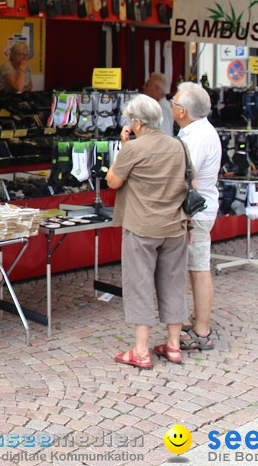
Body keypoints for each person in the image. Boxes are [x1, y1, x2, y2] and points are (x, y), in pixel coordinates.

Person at [105, 94, 192, 369]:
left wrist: (123, 145)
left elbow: (113, 181)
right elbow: (190, 178)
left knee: (140, 284)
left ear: (138, 123)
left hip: (142, 226)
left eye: (132, 120)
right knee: (174, 283)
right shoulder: (178, 145)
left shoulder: (133, 148)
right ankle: (174, 346)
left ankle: (141, 350)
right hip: (174, 225)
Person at [172, 82, 222, 351]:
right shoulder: (197, 131)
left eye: (174, 102)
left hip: (197, 212)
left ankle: (202, 329)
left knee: (200, 267)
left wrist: (188, 218)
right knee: (195, 267)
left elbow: (187, 177)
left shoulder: (198, 136)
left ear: (183, 111)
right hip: (199, 210)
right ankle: (197, 320)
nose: (171, 106)